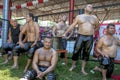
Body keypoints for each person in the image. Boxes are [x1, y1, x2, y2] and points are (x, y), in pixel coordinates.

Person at [63, 4, 99, 75]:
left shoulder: (94, 18)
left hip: (89, 37)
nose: (91, 7)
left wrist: (92, 31)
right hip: (81, 36)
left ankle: (83, 69)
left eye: (92, 7)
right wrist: (65, 33)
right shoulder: (79, 16)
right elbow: (72, 25)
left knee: (86, 53)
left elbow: (97, 26)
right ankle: (73, 66)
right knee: (76, 51)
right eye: (89, 6)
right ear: (85, 8)